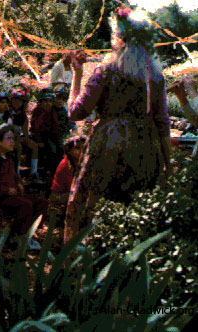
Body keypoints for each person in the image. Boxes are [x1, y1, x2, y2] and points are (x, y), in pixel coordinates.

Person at [63, 7, 171, 244]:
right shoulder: (154, 74)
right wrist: (168, 164)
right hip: (144, 149)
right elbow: (162, 122)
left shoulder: (106, 71)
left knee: (97, 210)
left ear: (119, 39)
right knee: (135, 212)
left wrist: (76, 74)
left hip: (107, 148)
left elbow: (76, 112)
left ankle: (87, 265)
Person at [0, 124, 48, 241]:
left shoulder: (9, 160)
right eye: (8, 139)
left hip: (13, 196)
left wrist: (18, 183)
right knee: (25, 205)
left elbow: (14, 176)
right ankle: (15, 237)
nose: (12, 142)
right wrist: (6, 190)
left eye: (13, 139)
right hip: (0, 199)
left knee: (42, 203)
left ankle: (30, 232)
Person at [48, 135, 86, 229]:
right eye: (77, 148)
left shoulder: (83, 162)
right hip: (60, 195)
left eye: (83, 148)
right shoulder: (65, 165)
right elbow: (72, 186)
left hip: (74, 192)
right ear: (69, 151)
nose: (81, 151)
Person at [29, 88, 62, 177]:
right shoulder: (38, 112)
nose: (48, 104)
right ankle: (50, 172)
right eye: (45, 101)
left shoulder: (52, 112)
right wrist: (39, 141)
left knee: (60, 148)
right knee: (51, 149)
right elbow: (36, 127)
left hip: (51, 135)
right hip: (40, 135)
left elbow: (55, 126)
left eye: (50, 101)